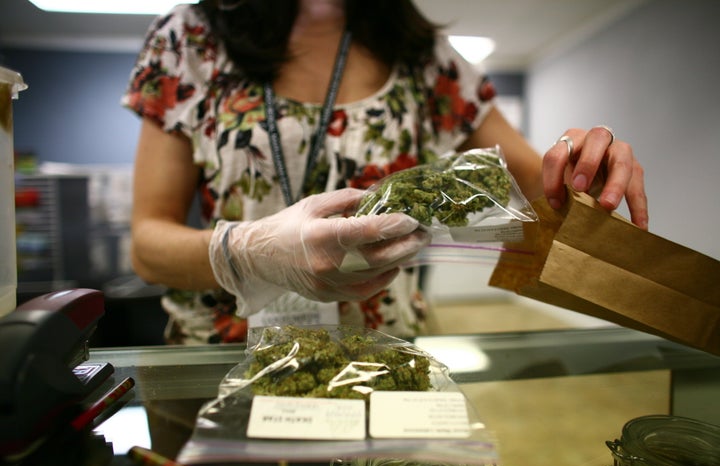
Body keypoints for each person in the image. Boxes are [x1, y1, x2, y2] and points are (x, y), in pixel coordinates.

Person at [122, 0, 648, 347]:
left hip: (375, 359)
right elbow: (147, 247)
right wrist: (250, 251)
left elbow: (537, 187)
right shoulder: (189, 40)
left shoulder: (422, 56)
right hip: (218, 358)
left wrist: (582, 164)